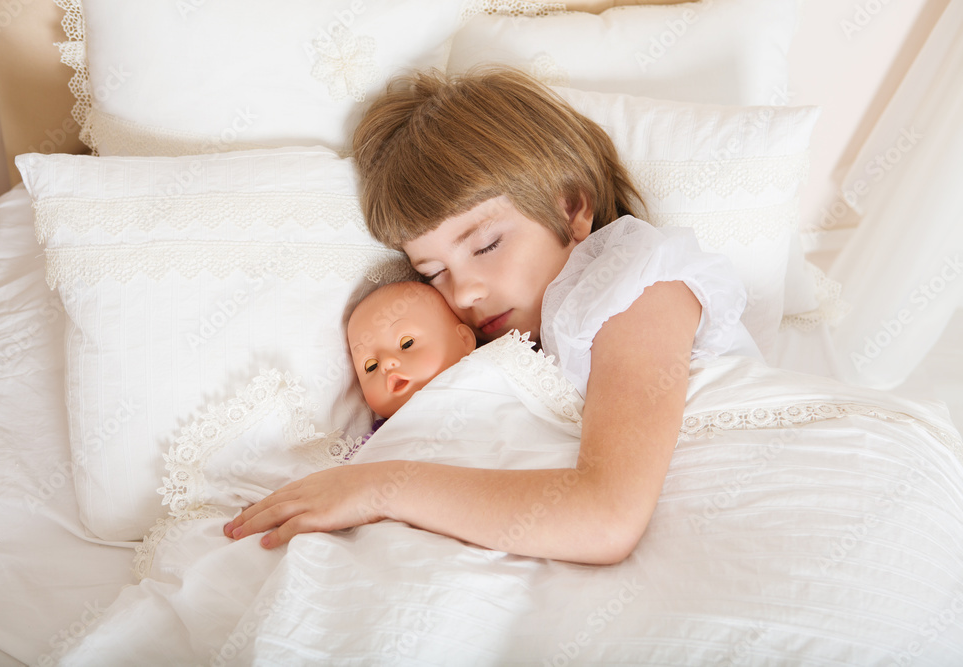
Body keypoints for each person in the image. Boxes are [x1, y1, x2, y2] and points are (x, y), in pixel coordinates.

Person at [224, 66, 760, 564]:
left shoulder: (637, 288)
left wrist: (376, 487)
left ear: (572, 208)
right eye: (434, 272)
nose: (465, 291)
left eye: (484, 245)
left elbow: (606, 519)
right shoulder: (503, 348)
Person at [347, 280, 476, 420]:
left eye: (407, 344)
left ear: (464, 339)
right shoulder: (379, 439)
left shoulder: (490, 382)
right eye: (371, 366)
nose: (385, 363)